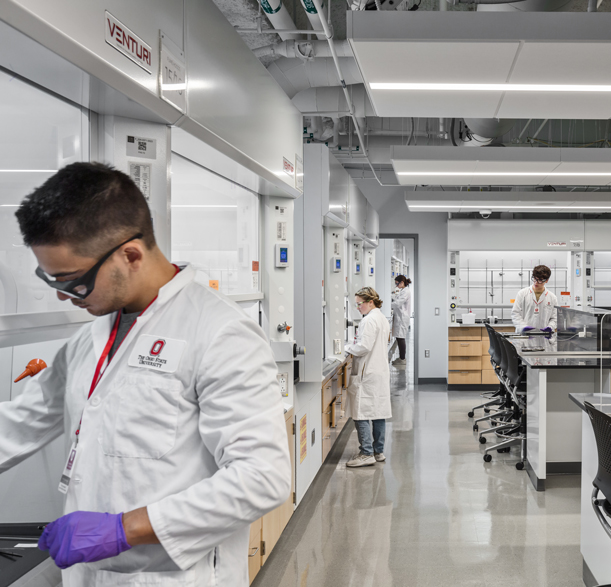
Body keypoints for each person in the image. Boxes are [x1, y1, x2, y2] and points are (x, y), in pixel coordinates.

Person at [0, 163, 291, 585]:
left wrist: (123, 529)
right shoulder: (91, 338)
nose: (66, 297)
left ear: (130, 255)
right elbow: (21, 422)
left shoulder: (219, 333)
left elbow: (262, 477)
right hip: (88, 575)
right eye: (53, 281)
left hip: (170, 577)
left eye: (74, 282)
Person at [345, 287, 391, 468]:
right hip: (378, 370)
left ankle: (366, 453)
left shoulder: (369, 320)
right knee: (378, 413)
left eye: (359, 304)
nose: (358, 307)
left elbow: (364, 346)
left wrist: (347, 348)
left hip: (368, 372)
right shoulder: (381, 318)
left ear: (370, 302)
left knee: (360, 412)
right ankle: (378, 451)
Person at [511, 265, 559, 334]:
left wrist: (550, 327)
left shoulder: (552, 297)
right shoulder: (522, 294)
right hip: (525, 336)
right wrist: (522, 326)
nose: (536, 282)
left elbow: (555, 318)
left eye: (540, 280)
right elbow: (515, 313)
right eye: (535, 279)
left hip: (544, 337)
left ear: (547, 280)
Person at [391, 275, 412, 368]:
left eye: (397, 283)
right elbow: (397, 300)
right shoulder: (403, 291)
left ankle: (402, 359)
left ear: (402, 282)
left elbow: (398, 303)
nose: (396, 285)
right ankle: (401, 358)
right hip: (400, 317)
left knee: (401, 338)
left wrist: (387, 305)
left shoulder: (406, 292)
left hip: (402, 318)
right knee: (399, 337)